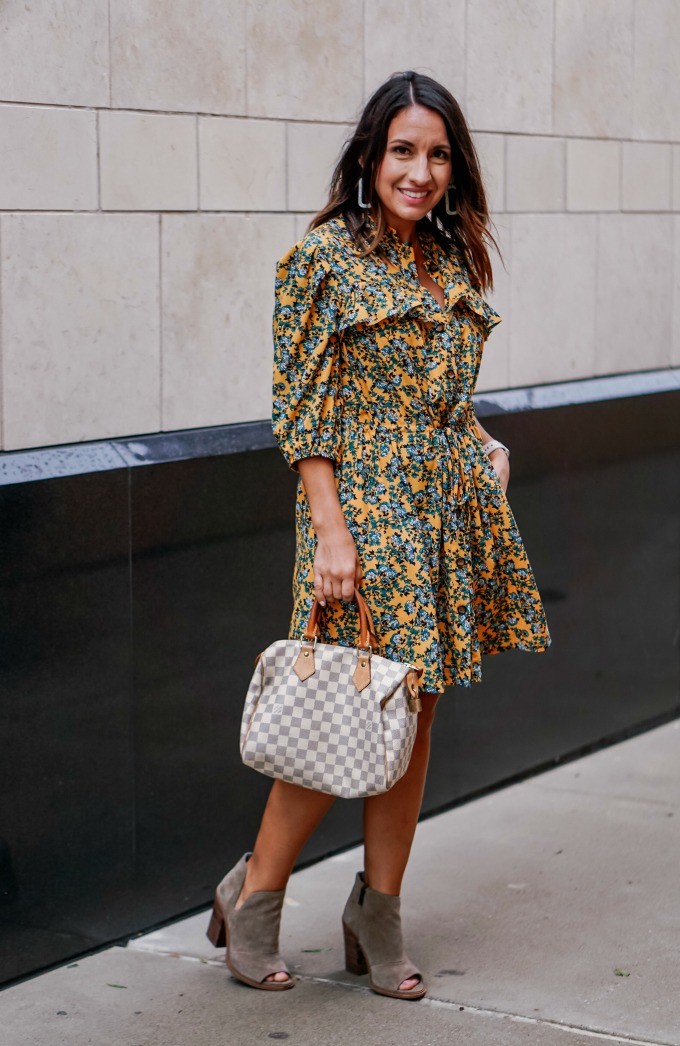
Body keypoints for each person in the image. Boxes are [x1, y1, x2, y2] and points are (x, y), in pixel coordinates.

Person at [207, 70, 550, 1001]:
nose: (422, 170)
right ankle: (258, 898)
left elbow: (435, 385)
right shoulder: (325, 258)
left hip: (442, 507)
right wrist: (329, 530)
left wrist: (482, 438)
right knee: (347, 704)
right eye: (404, 150)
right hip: (359, 507)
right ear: (370, 156)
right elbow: (301, 404)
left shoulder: (449, 258)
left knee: (415, 709)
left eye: (438, 154)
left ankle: (378, 911)